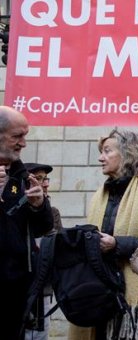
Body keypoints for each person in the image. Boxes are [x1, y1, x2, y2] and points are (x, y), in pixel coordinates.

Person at [68, 129, 138, 340]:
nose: (100, 157)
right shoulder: (101, 195)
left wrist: (117, 245)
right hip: (100, 293)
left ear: (128, 154)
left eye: (107, 151)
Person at [0, 106, 54, 340]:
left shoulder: (21, 176)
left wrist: (39, 205)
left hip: (15, 287)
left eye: (25, 136)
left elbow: (43, 227)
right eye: (17, 136)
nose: (23, 143)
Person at [24, 162, 63, 340]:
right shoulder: (15, 210)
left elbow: (57, 247)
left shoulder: (52, 212)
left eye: (45, 179)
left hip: (42, 292)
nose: (46, 183)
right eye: (39, 179)